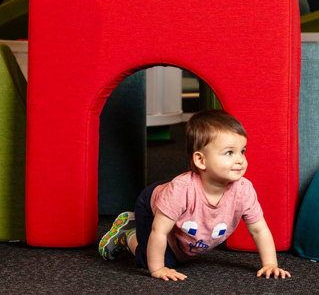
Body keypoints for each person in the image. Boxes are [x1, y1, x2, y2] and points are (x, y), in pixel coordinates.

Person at [97, 110, 290, 281]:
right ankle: (128, 234)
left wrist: (270, 264)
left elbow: (259, 230)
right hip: (152, 206)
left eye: (242, 151)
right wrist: (157, 268)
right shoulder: (182, 190)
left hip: (180, 205)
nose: (240, 160)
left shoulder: (243, 190)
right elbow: (159, 231)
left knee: (180, 253)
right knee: (155, 260)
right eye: (229, 153)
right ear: (200, 160)